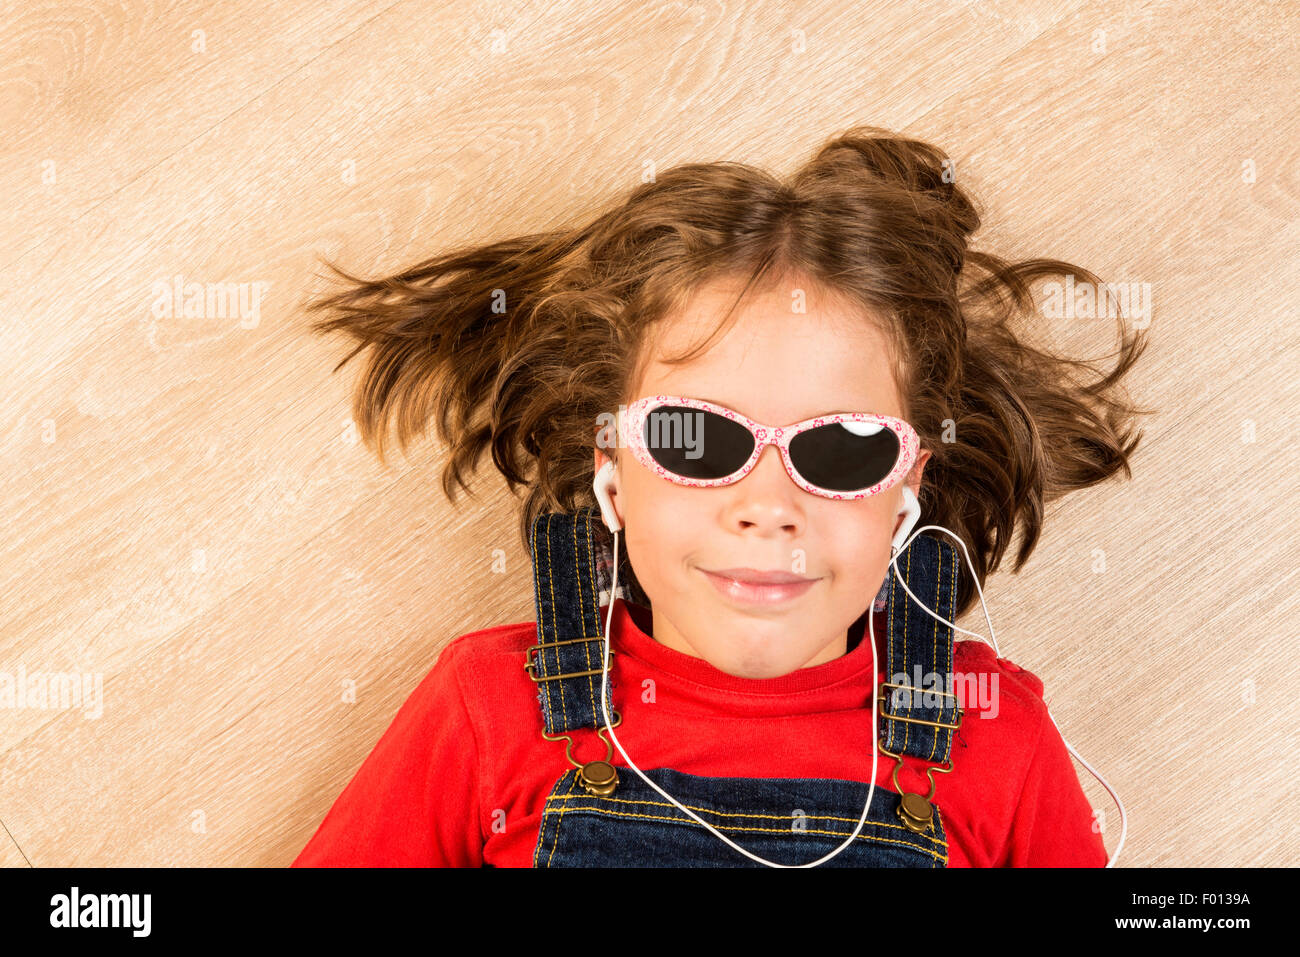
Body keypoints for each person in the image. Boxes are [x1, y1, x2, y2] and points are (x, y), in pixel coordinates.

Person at [292, 126, 1151, 867]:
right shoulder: (489, 708)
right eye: (695, 439)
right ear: (612, 471)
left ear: (904, 490)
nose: (767, 506)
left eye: (842, 449)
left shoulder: (992, 735)